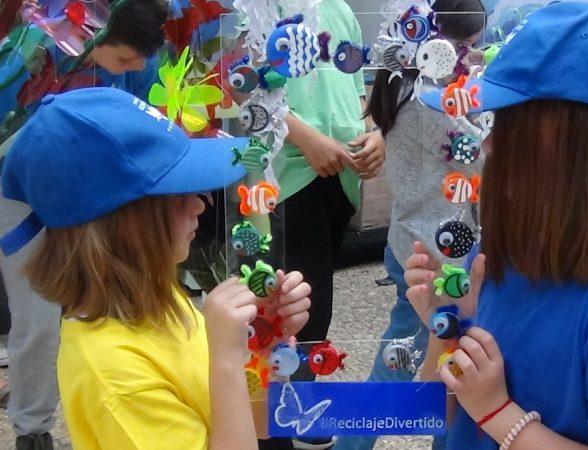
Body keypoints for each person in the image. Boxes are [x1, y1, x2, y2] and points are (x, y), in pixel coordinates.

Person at [404, 2, 588, 449]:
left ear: (579, 154)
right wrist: (447, 324)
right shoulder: (496, 262)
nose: (489, 144)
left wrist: (496, 411)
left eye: (511, 126)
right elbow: (433, 413)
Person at [0, 87, 312, 450]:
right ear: (120, 225)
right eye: (177, 195)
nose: (199, 204)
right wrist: (226, 360)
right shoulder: (114, 374)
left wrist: (261, 345)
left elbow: (254, 425)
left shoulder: (159, 301)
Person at [0, 2, 167, 448]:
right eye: (126, 59)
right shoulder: (35, 49)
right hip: (19, 188)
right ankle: (32, 429)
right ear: (97, 37)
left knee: (106, 300)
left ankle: (110, 415)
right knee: (37, 313)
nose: (134, 68)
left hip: (98, 188)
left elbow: (151, 116)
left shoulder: (140, 58)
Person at [334, 1, 485, 449]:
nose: (468, 59)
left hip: (415, 242)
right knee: (403, 363)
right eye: (467, 49)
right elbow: (478, 159)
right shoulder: (430, 103)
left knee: (445, 362)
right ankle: (350, 444)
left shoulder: (405, 86)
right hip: (433, 258)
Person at [267, 1, 385, 448]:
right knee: (291, 301)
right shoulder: (259, 9)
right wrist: (306, 139)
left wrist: (374, 135)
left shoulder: (340, 10)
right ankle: (284, 416)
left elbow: (356, 90)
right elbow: (244, 90)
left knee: (317, 299)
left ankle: (299, 403)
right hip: (290, 175)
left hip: (344, 173)